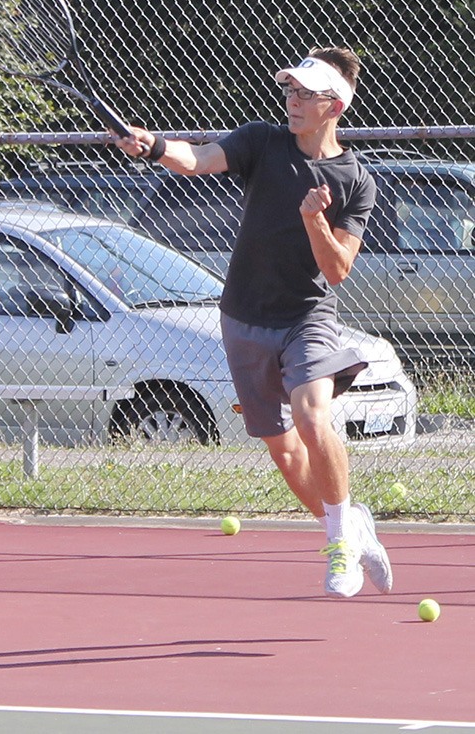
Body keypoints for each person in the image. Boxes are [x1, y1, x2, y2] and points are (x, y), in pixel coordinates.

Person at [116, 47, 392, 599]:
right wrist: (155, 147)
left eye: (305, 93)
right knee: (285, 451)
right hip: (243, 318)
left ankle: (340, 547)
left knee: (314, 420)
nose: (291, 100)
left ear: (334, 105)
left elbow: (336, 270)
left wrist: (314, 219)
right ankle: (349, 524)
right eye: (289, 89)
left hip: (306, 318)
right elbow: (198, 159)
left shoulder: (355, 180)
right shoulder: (262, 141)